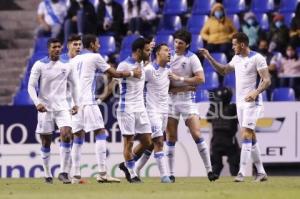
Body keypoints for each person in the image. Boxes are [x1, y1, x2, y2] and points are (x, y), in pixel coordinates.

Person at [200, 32, 271, 182]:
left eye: (234, 44)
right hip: (240, 102)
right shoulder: (236, 58)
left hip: (253, 101)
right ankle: (261, 172)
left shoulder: (257, 58)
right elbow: (223, 70)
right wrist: (209, 57)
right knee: (251, 136)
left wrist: (256, 92)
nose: (232, 47)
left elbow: (267, 80)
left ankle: (241, 173)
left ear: (242, 44)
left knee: (245, 134)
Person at [70, 34, 141, 184]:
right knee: (100, 132)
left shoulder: (74, 59)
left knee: (78, 137)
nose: (99, 46)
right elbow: (115, 74)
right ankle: (102, 172)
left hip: (75, 103)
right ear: (91, 44)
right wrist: (133, 73)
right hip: (88, 101)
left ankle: (75, 175)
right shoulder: (95, 57)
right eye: (97, 43)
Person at [166, 29, 217, 183]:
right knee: (171, 137)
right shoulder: (168, 57)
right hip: (170, 100)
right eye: (175, 42)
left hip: (188, 101)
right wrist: (181, 87)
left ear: (187, 44)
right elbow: (164, 84)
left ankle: (209, 171)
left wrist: (180, 78)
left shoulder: (192, 58)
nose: (177, 45)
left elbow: (200, 79)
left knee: (197, 134)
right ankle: (171, 174)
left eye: (180, 43)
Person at [27, 38, 79, 184]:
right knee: (46, 142)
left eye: (59, 46)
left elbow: (74, 85)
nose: (57, 49)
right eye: (54, 47)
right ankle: (47, 173)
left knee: (67, 134)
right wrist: (37, 103)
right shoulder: (39, 65)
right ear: (48, 49)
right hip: (45, 108)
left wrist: (75, 103)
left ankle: (63, 172)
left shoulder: (67, 65)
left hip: (63, 107)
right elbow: (31, 86)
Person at [133, 43, 173, 183]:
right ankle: (164, 176)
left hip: (164, 111)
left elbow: (170, 87)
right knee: (159, 141)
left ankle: (134, 168)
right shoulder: (149, 70)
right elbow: (137, 84)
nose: (169, 53)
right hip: (152, 111)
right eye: (166, 50)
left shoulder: (169, 69)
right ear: (157, 53)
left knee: (151, 144)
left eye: (169, 51)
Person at [116, 37, 153, 183]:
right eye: (147, 50)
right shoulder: (124, 65)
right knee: (129, 142)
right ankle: (132, 174)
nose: (149, 53)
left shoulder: (142, 63)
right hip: (127, 108)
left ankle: (126, 165)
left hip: (140, 107)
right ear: (138, 51)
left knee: (148, 141)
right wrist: (131, 73)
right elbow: (116, 75)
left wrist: (150, 46)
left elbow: (147, 61)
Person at [206, 87, 240, 178]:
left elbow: (208, 119)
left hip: (217, 141)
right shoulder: (233, 108)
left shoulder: (213, 108)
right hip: (229, 141)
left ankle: (214, 180)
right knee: (233, 164)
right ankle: (236, 178)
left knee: (217, 165)